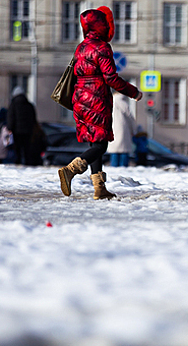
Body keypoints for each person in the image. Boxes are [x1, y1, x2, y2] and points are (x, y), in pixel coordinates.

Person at [58, 6, 142, 200]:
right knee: (101, 146)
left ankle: (99, 188)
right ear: (101, 25)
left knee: (95, 142)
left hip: (80, 99)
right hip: (96, 98)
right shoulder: (102, 47)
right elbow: (111, 78)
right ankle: (71, 170)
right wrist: (133, 92)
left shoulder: (81, 47)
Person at [7, 86, 37, 165]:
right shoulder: (29, 105)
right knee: (26, 148)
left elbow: (10, 117)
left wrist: (10, 128)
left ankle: (18, 163)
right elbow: (33, 119)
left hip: (17, 131)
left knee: (17, 149)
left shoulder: (13, 105)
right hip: (28, 131)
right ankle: (27, 163)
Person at [107, 92, 136, 167]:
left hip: (111, 128)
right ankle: (123, 169)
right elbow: (130, 118)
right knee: (124, 151)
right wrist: (133, 130)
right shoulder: (123, 103)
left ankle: (114, 169)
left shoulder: (109, 101)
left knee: (114, 152)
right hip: (123, 130)